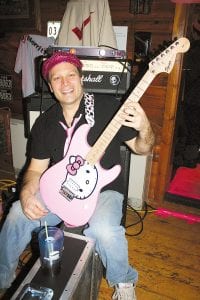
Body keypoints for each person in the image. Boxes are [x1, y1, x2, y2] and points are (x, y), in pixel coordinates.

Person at [0, 52, 155, 300]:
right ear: (50, 87)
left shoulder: (108, 108)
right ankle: (2, 278)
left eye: (70, 75)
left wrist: (144, 125)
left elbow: (142, 148)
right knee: (18, 212)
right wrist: (28, 194)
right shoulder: (45, 123)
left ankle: (124, 283)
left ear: (81, 79)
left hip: (105, 191)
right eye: (57, 78)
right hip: (63, 192)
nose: (65, 83)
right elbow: (35, 169)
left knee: (104, 230)